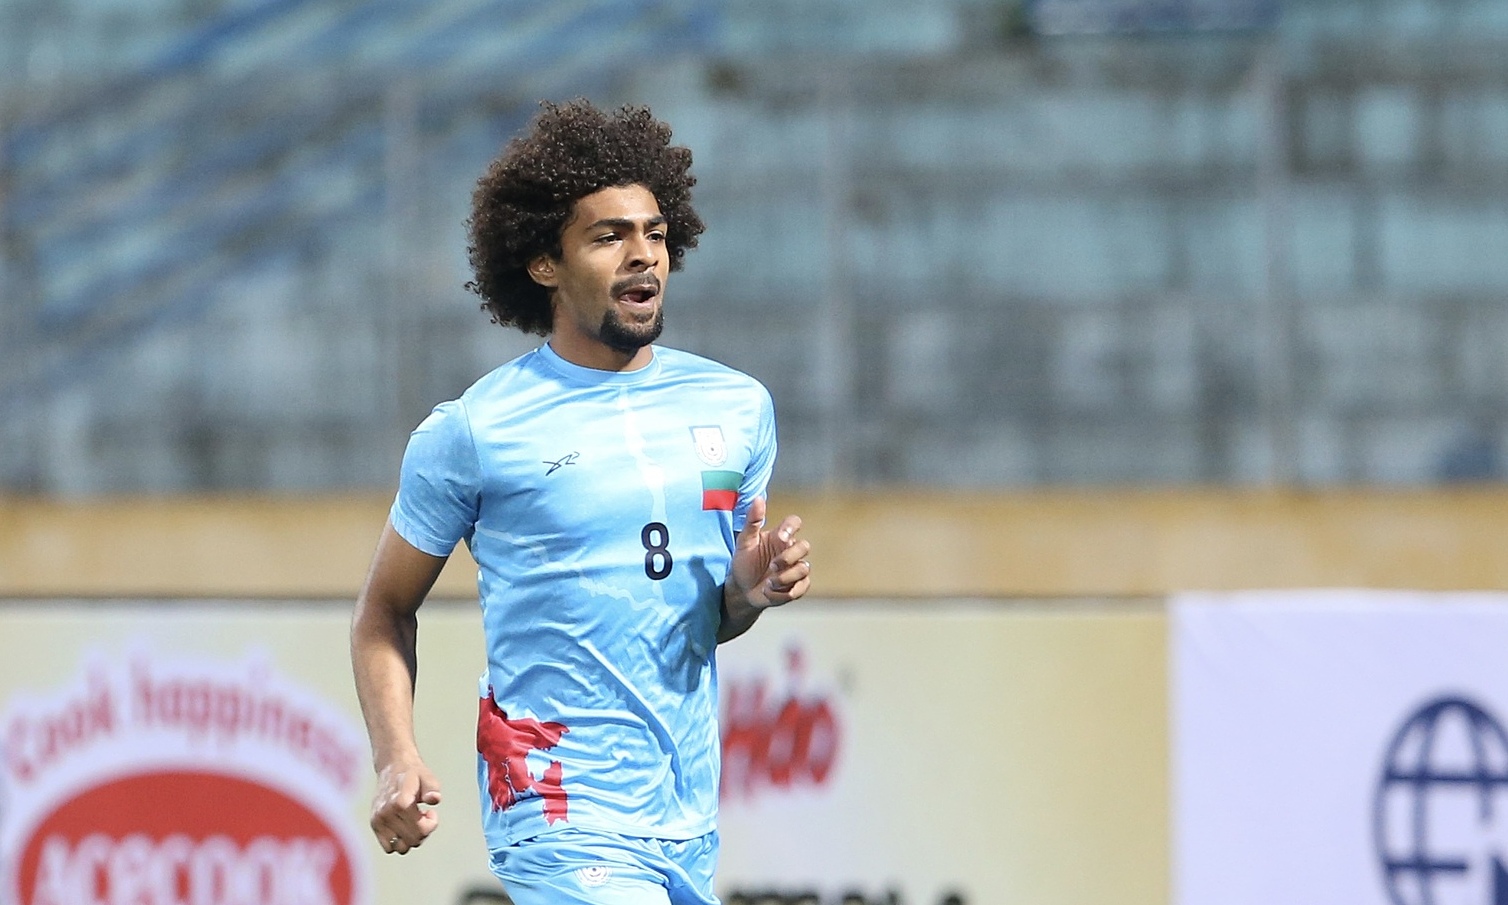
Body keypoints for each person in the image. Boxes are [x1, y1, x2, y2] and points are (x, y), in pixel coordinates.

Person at [349, 98, 812, 905]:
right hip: (556, 803)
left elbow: (709, 620)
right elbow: (384, 611)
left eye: (656, 233)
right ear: (543, 264)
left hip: (684, 810)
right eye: (610, 236)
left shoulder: (738, 408)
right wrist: (397, 754)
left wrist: (748, 591)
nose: (645, 257)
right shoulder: (475, 430)